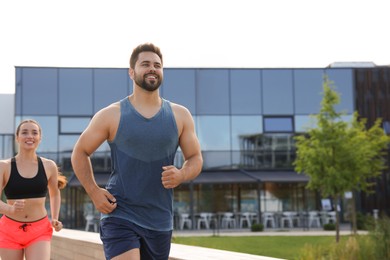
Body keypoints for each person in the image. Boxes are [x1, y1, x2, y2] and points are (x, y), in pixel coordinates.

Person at [71, 42, 203, 260]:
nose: (152, 68)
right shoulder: (112, 114)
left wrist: (182, 174)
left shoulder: (180, 115)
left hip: (160, 220)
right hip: (120, 214)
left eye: (157, 65)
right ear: (131, 72)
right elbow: (80, 151)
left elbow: (195, 158)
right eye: (145, 64)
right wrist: (94, 191)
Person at [0, 119, 67, 260]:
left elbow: (54, 194)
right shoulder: (4, 166)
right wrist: (10, 209)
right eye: (24, 132)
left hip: (39, 230)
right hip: (9, 230)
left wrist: (55, 218)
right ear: (17, 137)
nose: (30, 136)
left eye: (34, 133)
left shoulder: (49, 166)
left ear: (39, 138)